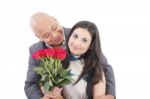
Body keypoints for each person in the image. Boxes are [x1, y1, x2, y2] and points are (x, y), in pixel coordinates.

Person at [24, 12, 116, 99]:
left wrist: (110, 95)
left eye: (54, 27)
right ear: (39, 37)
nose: (55, 35)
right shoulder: (35, 50)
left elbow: (104, 66)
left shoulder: (79, 34)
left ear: (54, 19)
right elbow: (31, 84)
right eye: (47, 35)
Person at [62, 20, 106, 99]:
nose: (77, 43)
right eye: (75, 36)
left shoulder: (95, 67)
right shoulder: (55, 61)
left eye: (84, 40)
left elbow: (99, 96)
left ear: (90, 46)